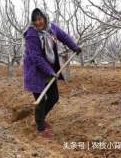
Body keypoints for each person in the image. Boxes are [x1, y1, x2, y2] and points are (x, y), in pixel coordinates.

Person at [23, 8, 81, 138]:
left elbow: (64, 36)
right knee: (41, 99)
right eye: (35, 20)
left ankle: (40, 118)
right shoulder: (31, 34)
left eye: (40, 18)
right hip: (35, 71)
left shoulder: (51, 28)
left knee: (54, 97)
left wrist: (74, 47)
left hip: (49, 68)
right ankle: (40, 128)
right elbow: (36, 57)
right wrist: (50, 71)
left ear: (45, 18)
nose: (38, 22)